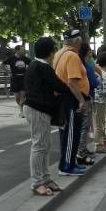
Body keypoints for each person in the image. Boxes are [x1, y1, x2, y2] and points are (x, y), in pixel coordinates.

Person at [23, 37, 70, 195]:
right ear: (51, 53)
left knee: (45, 145)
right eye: (55, 50)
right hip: (37, 110)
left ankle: (45, 178)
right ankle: (37, 183)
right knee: (39, 146)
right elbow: (58, 85)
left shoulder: (36, 65)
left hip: (38, 109)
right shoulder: (42, 67)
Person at [53, 29, 89, 176]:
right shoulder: (72, 56)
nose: (81, 44)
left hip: (64, 99)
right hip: (71, 99)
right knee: (71, 134)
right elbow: (72, 82)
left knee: (67, 133)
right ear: (76, 41)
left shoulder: (59, 53)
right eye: (80, 41)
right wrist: (81, 100)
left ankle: (68, 163)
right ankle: (67, 166)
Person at [93, 51, 106, 153]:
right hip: (100, 101)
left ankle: (99, 144)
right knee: (99, 124)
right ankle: (99, 145)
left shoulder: (94, 71)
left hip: (93, 100)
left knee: (96, 123)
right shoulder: (104, 75)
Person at [3, 44, 31, 117]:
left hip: (23, 79)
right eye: (22, 50)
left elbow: (32, 65)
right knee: (17, 97)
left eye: (23, 50)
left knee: (23, 96)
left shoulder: (25, 58)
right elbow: (1, 65)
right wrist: (8, 72)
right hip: (15, 79)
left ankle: (22, 111)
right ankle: (21, 107)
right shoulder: (11, 58)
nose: (23, 51)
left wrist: (28, 72)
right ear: (17, 50)